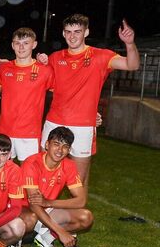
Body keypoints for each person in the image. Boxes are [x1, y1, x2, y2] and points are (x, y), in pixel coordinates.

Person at [42, 14, 139, 188]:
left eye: (77, 32)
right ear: (63, 34)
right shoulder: (55, 58)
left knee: (79, 179)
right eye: (68, 32)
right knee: (44, 172)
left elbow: (132, 65)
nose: (72, 36)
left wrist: (130, 44)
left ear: (86, 32)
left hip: (83, 125)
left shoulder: (100, 56)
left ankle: (79, 214)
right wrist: (42, 61)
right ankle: (42, 212)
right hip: (54, 121)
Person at [19, 126, 93, 247]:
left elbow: (81, 200)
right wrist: (61, 232)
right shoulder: (32, 163)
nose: (60, 150)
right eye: (56, 144)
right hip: (24, 209)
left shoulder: (69, 166)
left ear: (69, 150)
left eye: (65, 146)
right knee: (30, 219)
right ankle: (16, 240)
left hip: (46, 208)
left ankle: (44, 236)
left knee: (86, 217)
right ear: (47, 145)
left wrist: (49, 202)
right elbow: (33, 204)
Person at [0, 28, 54, 161]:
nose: (21, 47)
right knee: (3, 174)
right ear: (12, 45)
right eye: (17, 43)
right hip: (5, 130)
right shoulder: (4, 68)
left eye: (26, 43)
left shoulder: (45, 70)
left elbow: (60, 93)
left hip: (30, 133)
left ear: (34, 45)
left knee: (29, 175)